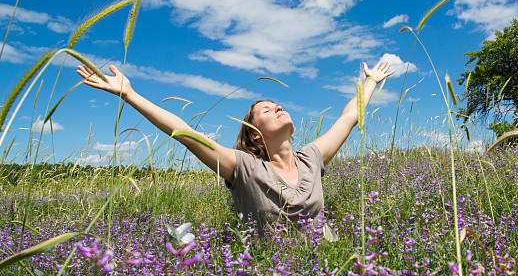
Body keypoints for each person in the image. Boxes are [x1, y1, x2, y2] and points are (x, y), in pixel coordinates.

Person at [77, 61, 393, 231]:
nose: (278, 107)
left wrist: (371, 81)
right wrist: (129, 94)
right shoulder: (243, 167)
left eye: (279, 105)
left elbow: (350, 115)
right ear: (255, 134)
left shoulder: (311, 157)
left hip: (324, 271)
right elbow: (185, 133)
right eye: (267, 109)